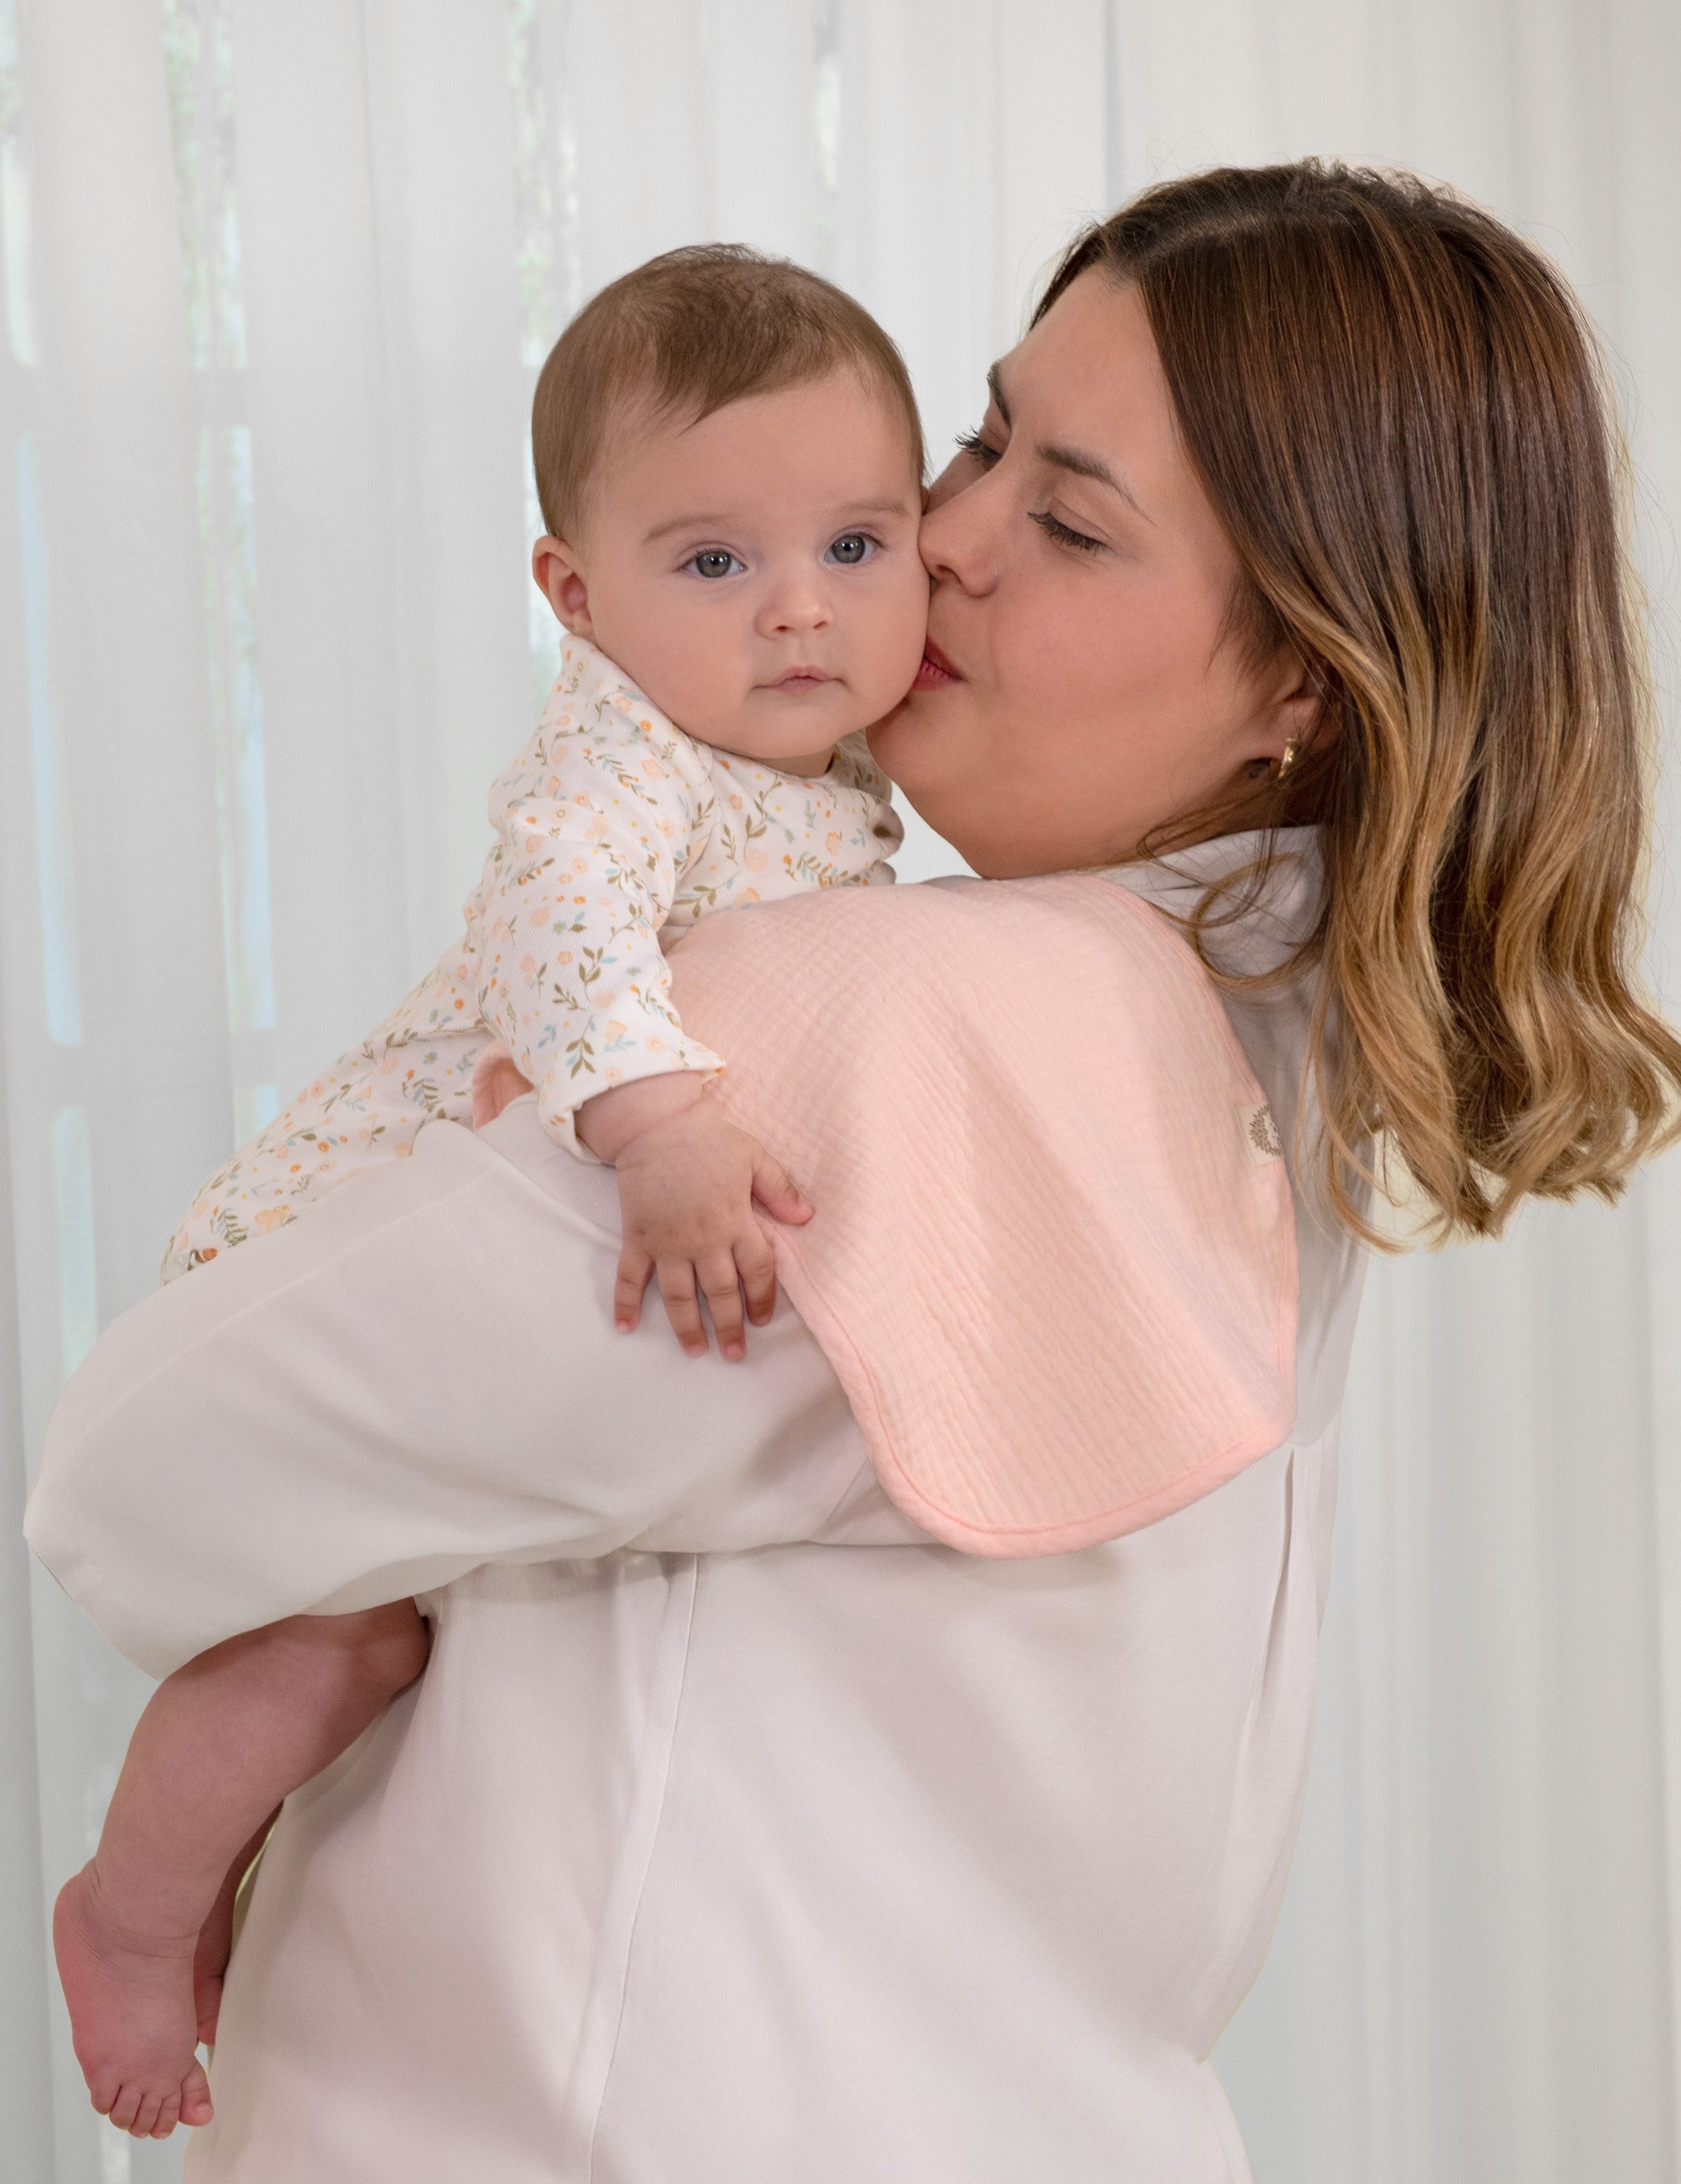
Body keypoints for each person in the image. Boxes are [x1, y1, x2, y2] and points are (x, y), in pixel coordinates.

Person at [27, 162, 1681, 2180]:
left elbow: (129, 1477)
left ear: (1303, 683)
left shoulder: (885, 1021)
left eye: (1070, 519)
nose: (939, 536)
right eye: (981, 443)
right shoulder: (1264, 1038)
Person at [52, 243, 931, 2141]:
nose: (802, 608)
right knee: (341, 1639)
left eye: (860, 544)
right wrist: (658, 1124)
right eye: (716, 560)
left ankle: (225, 1898)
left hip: (450, 1250)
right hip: (308, 1239)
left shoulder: (820, 749)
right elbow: (559, 914)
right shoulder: (621, 753)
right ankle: (126, 1912)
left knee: (401, 1673)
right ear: (577, 597)